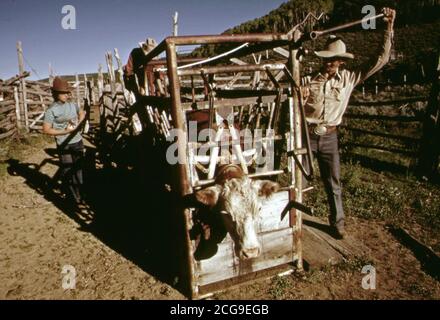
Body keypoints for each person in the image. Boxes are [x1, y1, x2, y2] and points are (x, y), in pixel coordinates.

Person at [301, 8, 396, 239]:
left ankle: (337, 223)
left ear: (342, 62)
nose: (330, 63)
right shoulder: (306, 80)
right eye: (327, 58)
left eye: (335, 60)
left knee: (333, 182)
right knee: (298, 181)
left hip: (330, 136)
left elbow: (380, 60)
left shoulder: (349, 79)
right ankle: (294, 224)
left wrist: (388, 27)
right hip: (306, 135)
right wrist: (299, 96)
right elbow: (291, 102)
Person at [43, 77, 86, 207]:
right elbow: (46, 130)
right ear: (55, 93)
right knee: (67, 170)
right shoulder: (51, 110)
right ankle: (72, 198)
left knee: (78, 169)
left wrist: (79, 121)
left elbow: (82, 112)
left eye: (67, 92)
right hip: (64, 143)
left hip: (77, 141)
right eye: (63, 93)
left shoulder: (72, 105)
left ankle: (80, 195)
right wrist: (64, 132)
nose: (67, 95)